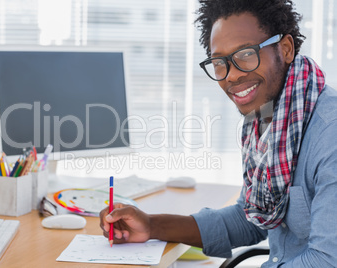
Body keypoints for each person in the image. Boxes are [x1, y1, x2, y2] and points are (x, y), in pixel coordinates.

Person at [99, 0, 337, 267]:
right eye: (219, 62)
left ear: (285, 49)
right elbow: (251, 218)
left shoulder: (329, 134)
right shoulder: (270, 119)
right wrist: (151, 226)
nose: (231, 75)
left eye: (246, 54)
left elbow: (327, 260)